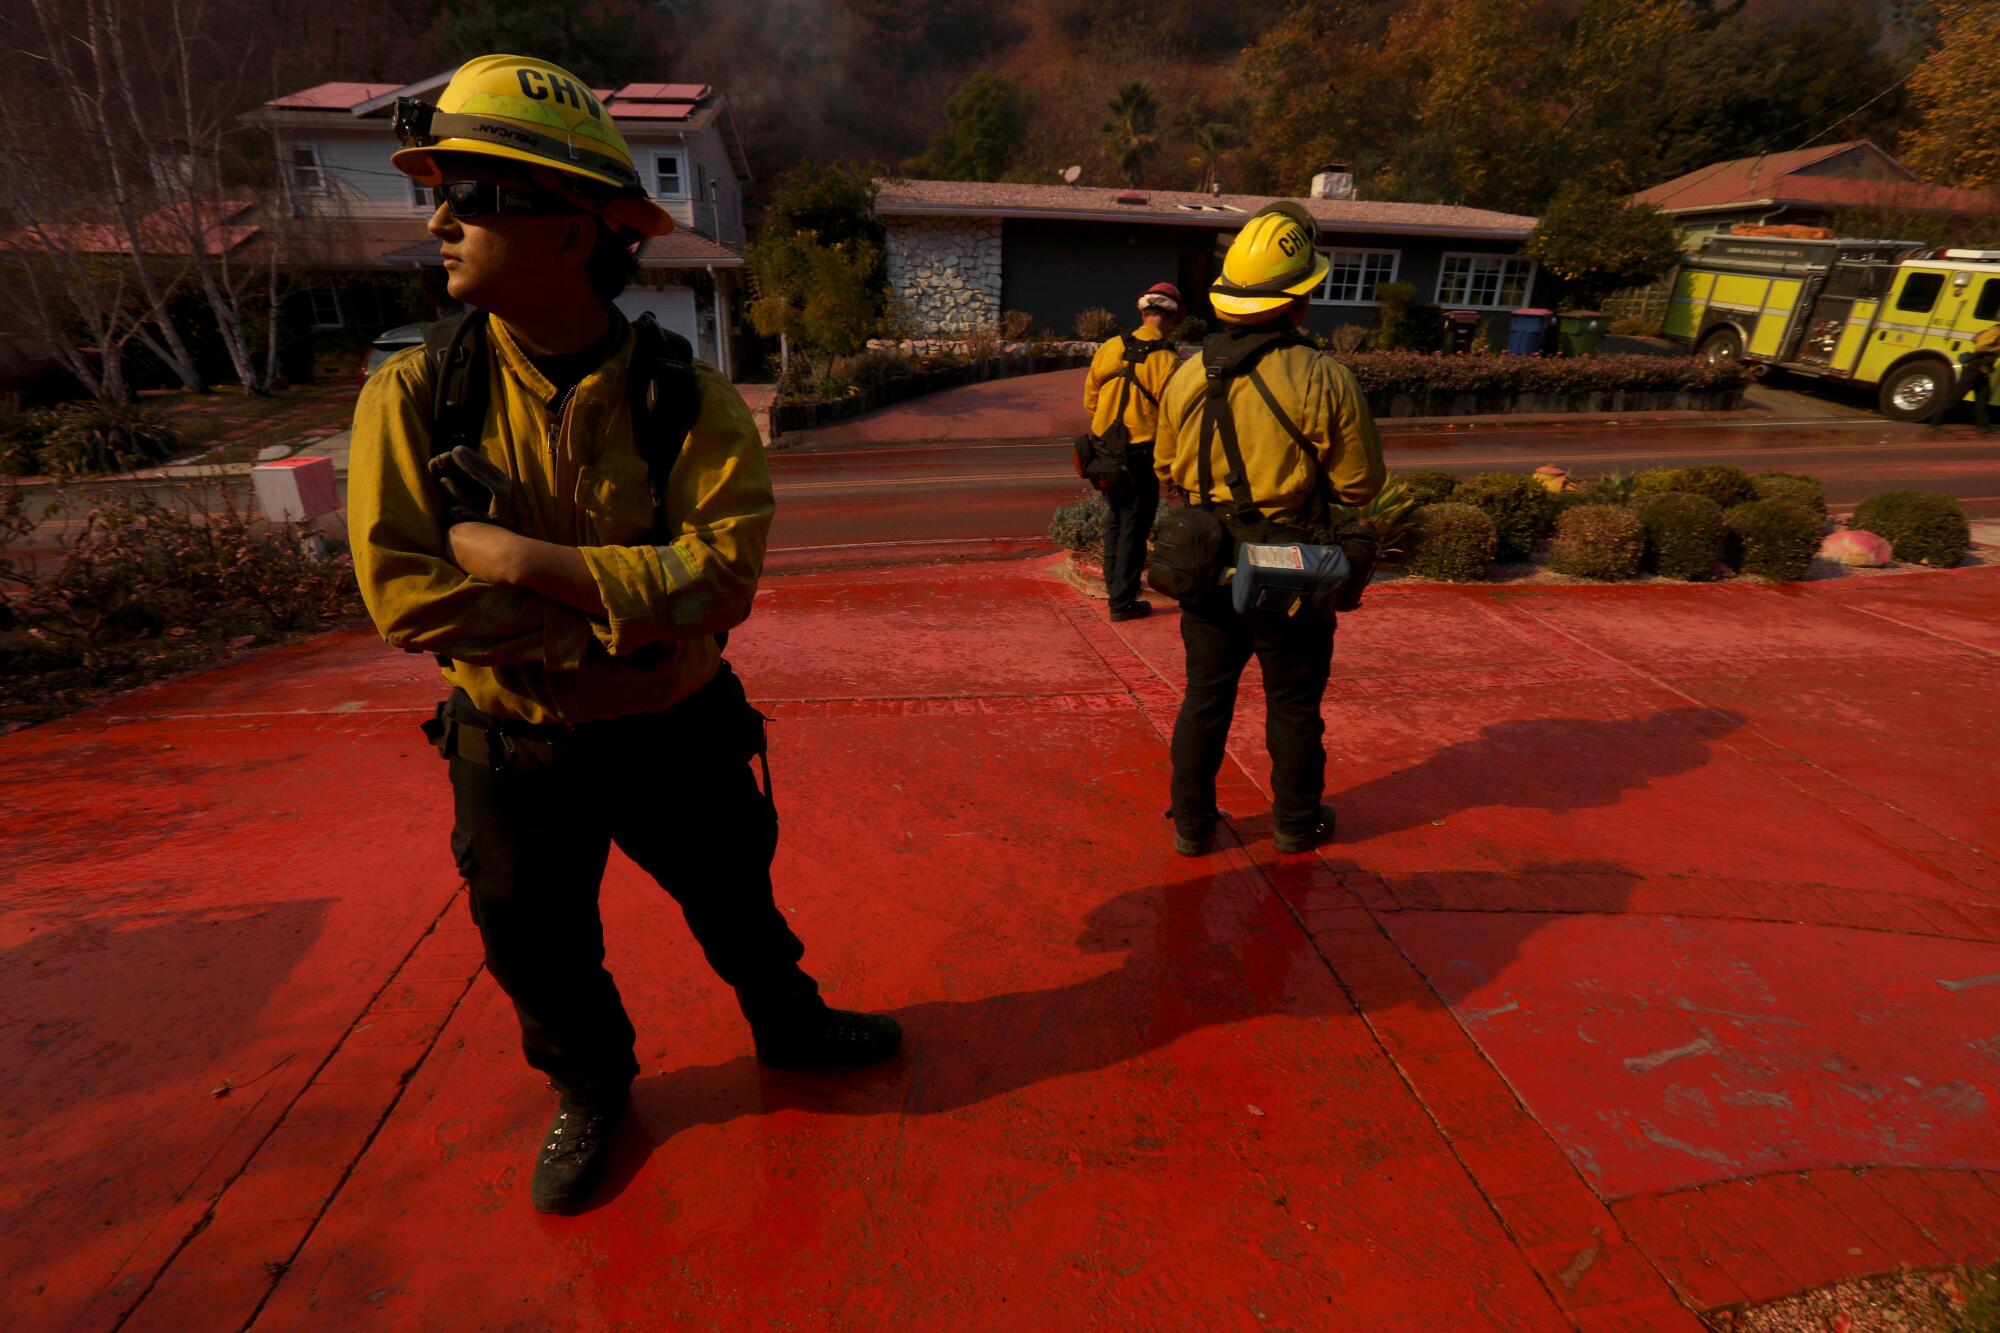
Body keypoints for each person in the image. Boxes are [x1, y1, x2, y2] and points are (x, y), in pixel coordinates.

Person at [347, 54, 900, 1216]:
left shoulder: (682, 398)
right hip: (515, 747)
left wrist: (524, 561)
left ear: (573, 231)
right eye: (436, 191)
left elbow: (724, 578)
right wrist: (608, 623)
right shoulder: (413, 396)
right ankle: (591, 1086)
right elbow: (404, 592)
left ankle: (787, 1024)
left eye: (473, 194)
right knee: (534, 940)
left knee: (735, 894)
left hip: (674, 730)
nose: (438, 220)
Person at [1151, 202, 1386, 857]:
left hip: (1202, 563)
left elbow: (1168, 469)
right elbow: (1360, 487)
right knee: (1292, 701)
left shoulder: (1185, 373)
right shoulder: (1324, 378)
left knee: (1204, 697)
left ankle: (1193, 827)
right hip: (1289, 566)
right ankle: (1295, 821)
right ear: (1299, 301)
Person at [1082, 283, 1184, 620]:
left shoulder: (1110, 347)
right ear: (1173, 319)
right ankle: (1122, 602)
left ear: (1142, 313)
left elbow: (1090, 402)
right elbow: (1174, 418)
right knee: (1134, 527)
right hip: (1141, 453)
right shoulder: (1167, 360)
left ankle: (1116, 589)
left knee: (1114, 518)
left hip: (1104, 451)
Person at [1931, 323, 1998, 432]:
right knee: (1955, 397)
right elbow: (1980, 346)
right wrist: (1995, 350)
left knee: (1983, 398)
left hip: (1982, 371)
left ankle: (1983, 426)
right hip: (1974, 370)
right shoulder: (1996, 331)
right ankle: (1935, 423)